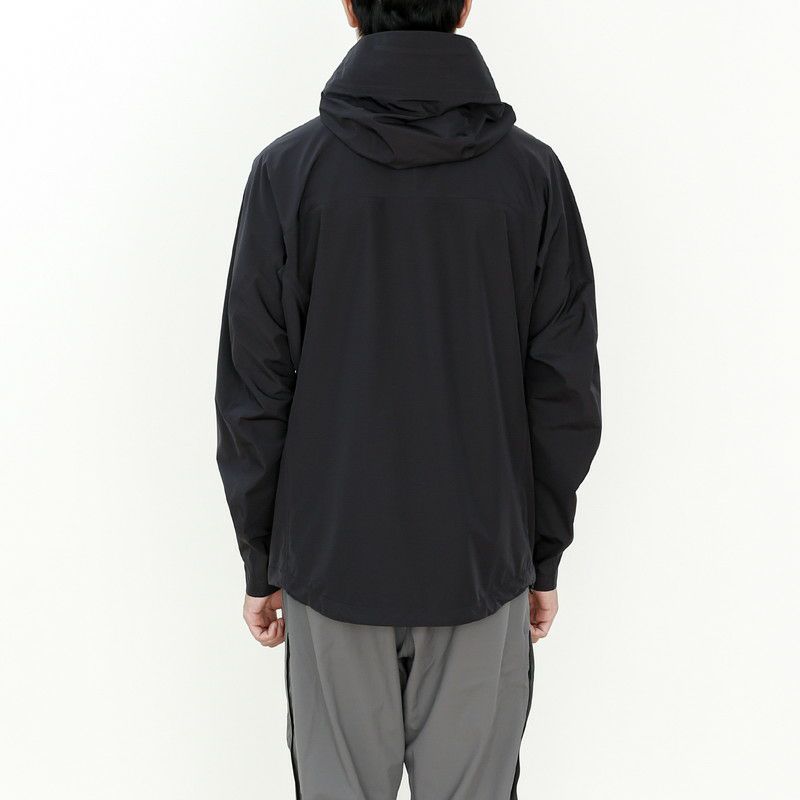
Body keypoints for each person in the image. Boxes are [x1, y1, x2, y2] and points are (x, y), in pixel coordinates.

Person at [215, 1, 601, 797]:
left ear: (350, 8)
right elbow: (563, 390)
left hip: (331, 558)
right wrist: (541, 554)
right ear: (465, 6)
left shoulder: (288, 172)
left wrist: (260, 561)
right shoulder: (531, 175)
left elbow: (254, 389)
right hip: (480, 557)